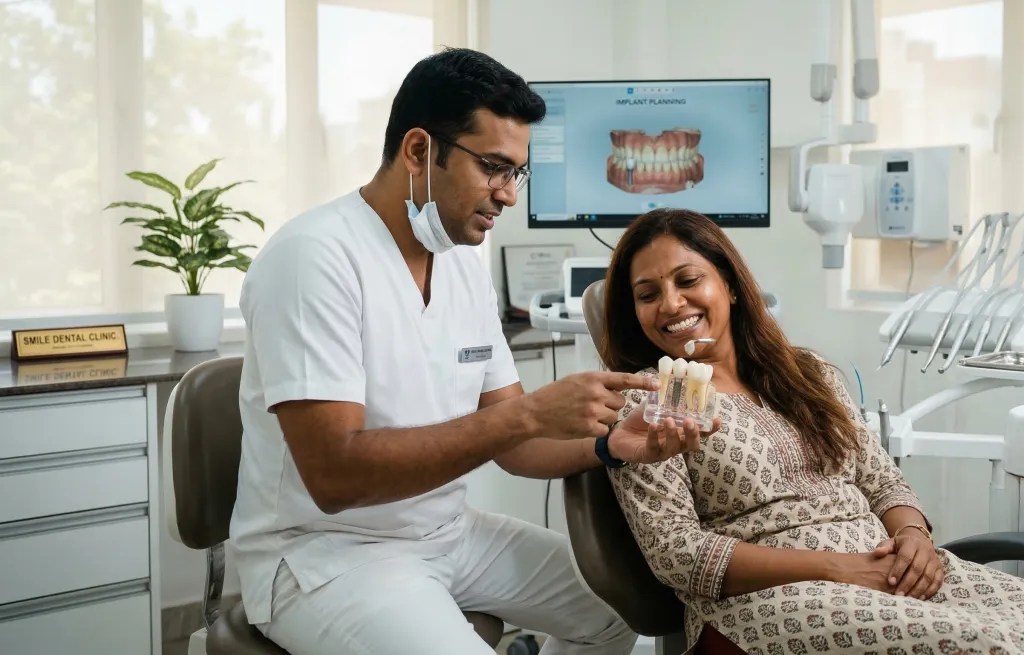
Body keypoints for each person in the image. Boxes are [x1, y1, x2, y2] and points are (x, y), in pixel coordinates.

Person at [228, 49, 715, 654]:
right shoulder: (314, 258)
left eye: (518, 174)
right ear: (418, 150)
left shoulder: (461, 266)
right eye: (494, 168)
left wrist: (609, 445)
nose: (508, 195)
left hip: (448, 533)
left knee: (624, 612)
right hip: (325, 553)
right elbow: (334, 477)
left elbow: (516, 446)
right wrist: (529, 414)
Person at [597, 208, 1024, 654]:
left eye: (688, 280)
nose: (671, 304)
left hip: (886, 568)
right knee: (982, 645)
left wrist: (915, 540)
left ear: (731, 285)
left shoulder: (806, 374)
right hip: (770, 599)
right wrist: (840, 569)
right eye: (648, 295)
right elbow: (678, 554)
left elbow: (882, 481)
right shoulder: (656, 400)